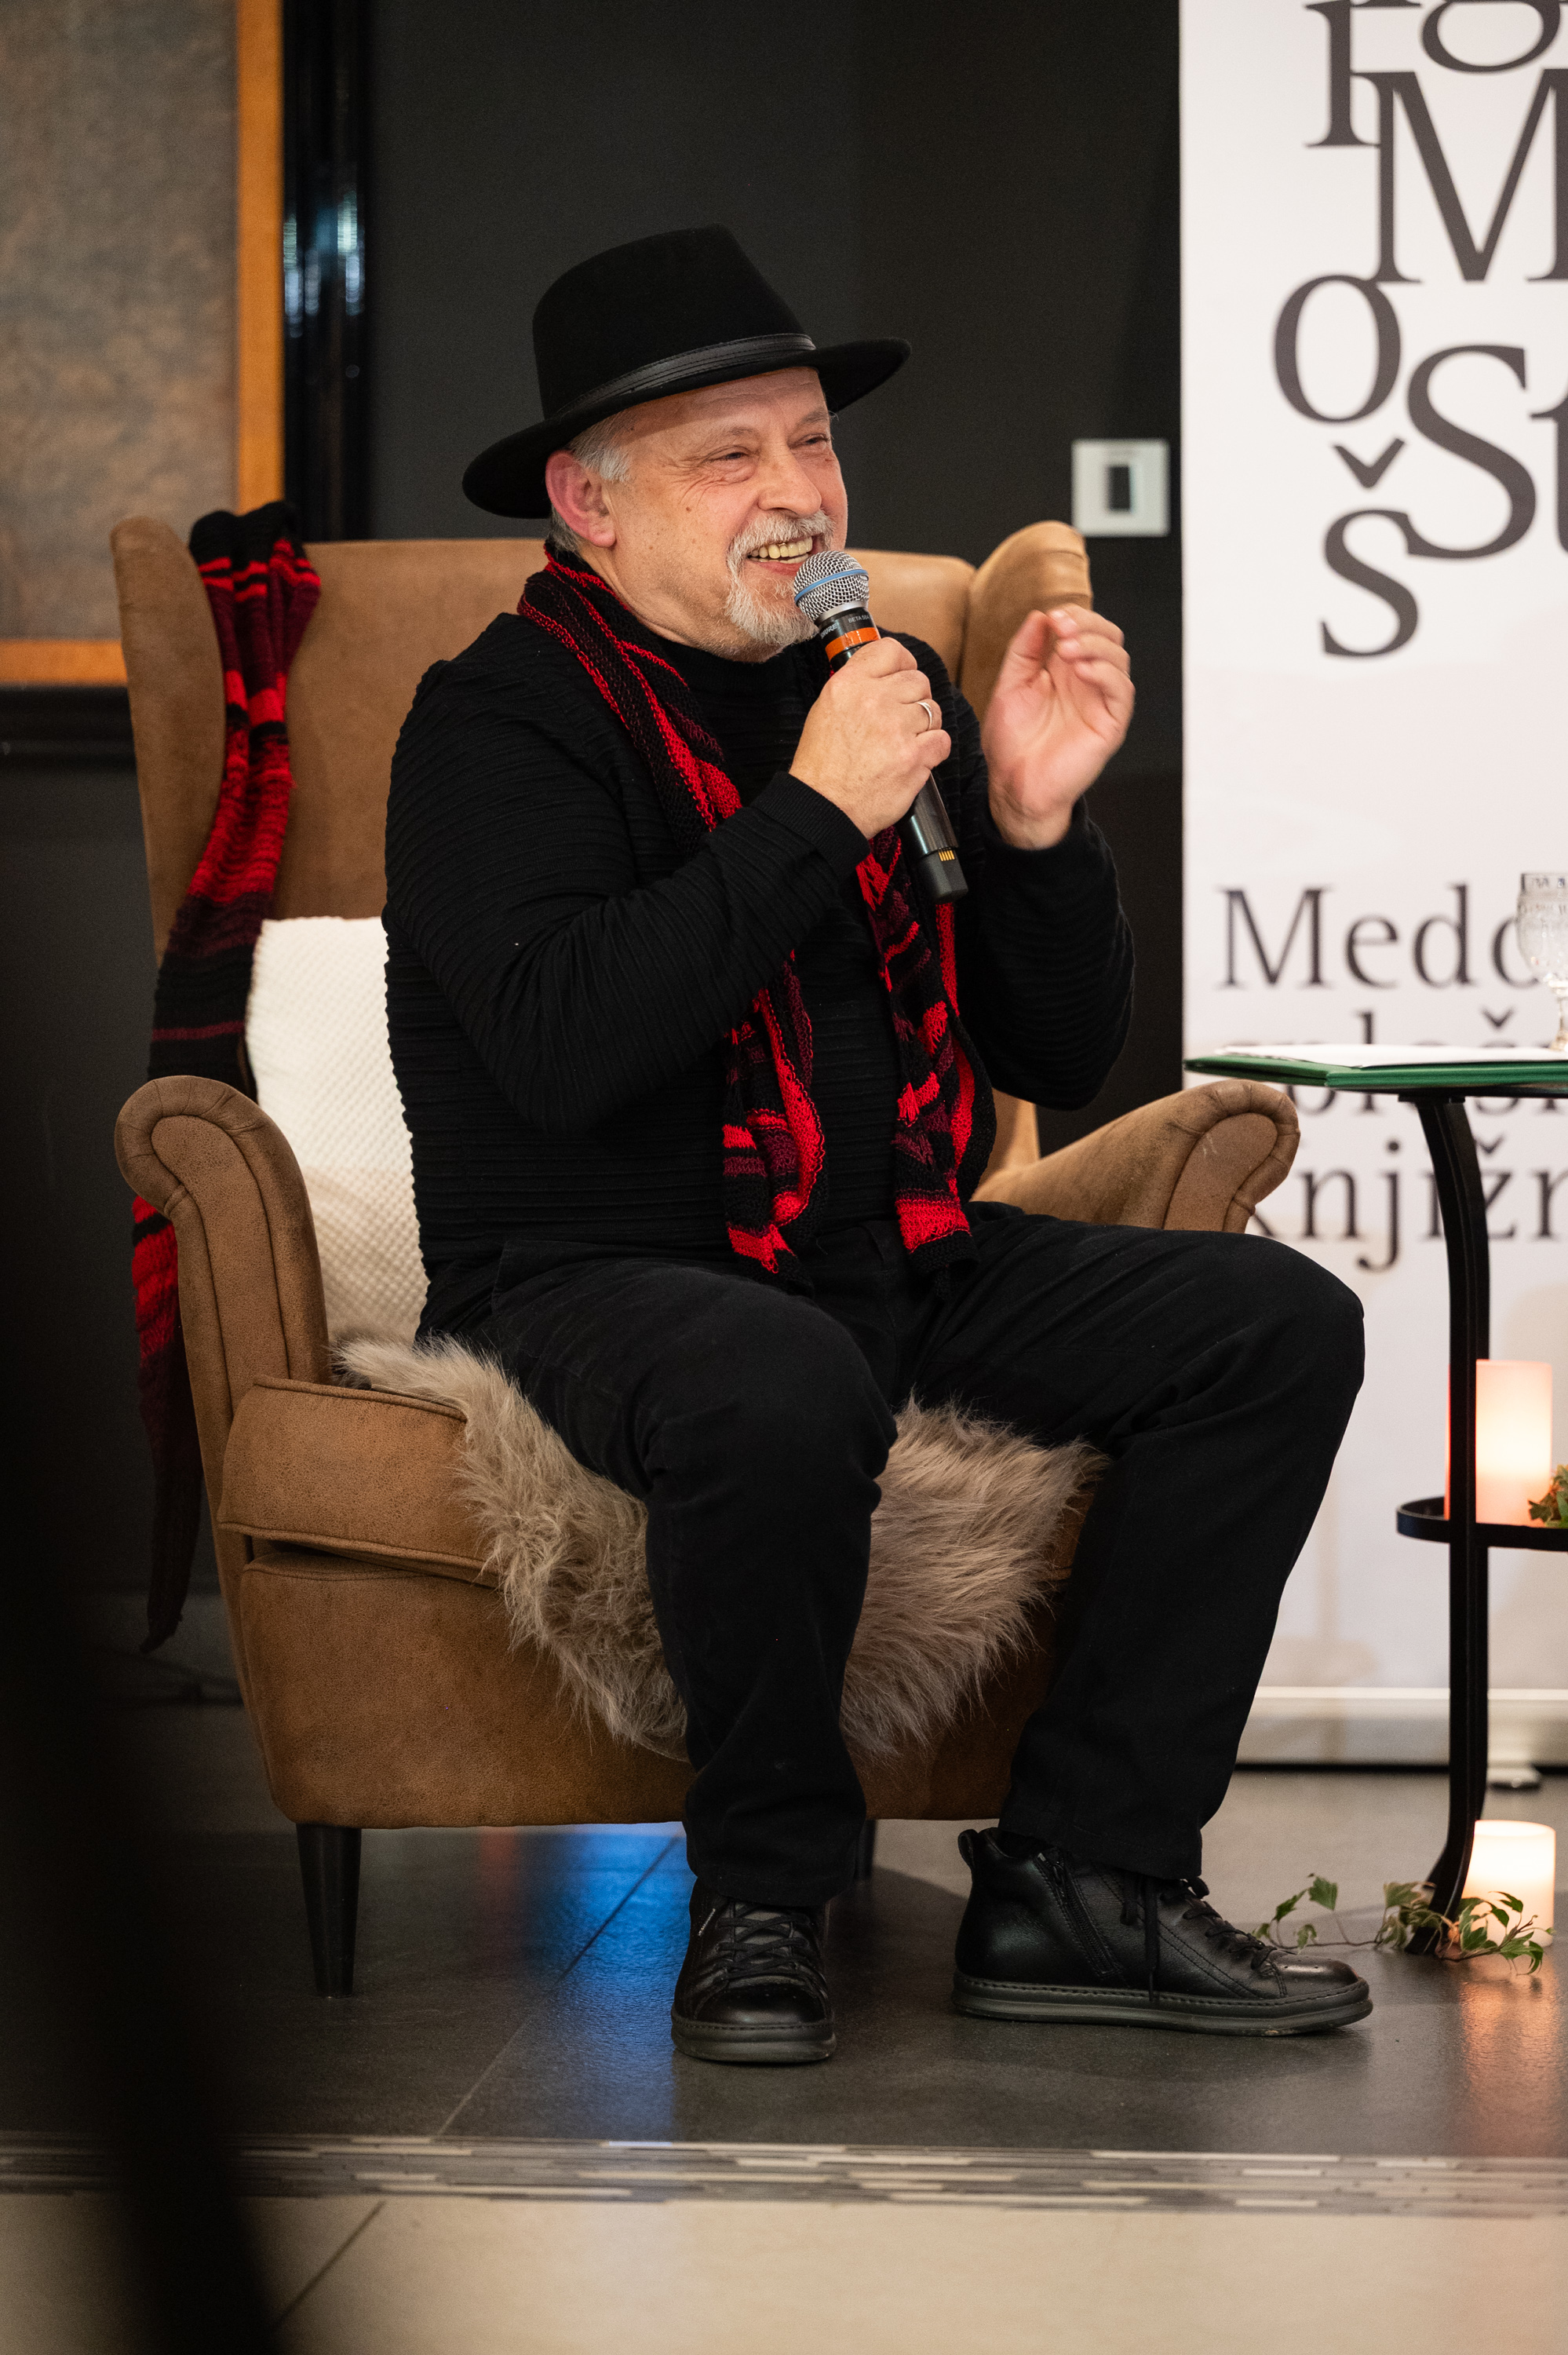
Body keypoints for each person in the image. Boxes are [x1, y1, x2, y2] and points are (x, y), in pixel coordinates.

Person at [385, 226, 1369, 2065]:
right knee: (773, 1372)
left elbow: (1049, 1051)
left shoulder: (876, 677)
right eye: (729, 456)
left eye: (813, 442)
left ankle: (1088, 1874)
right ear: (589, 506)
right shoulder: (493, 724)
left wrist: (1034, 826)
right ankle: (763, 1891)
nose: (800, 493)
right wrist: (814, 809)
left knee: (1274, 1325)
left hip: (883, 1248)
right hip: (590, 1276)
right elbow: (564, 1044)